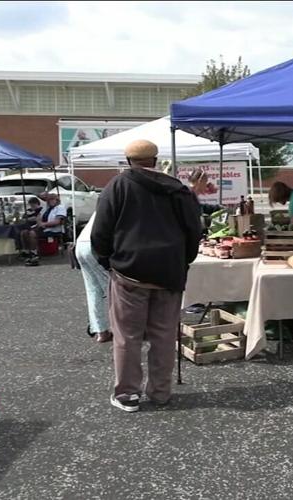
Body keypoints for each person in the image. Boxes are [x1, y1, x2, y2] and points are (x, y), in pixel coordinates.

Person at [92, 139, 202, 412]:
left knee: (127, 336)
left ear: (128, 160)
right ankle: (160, 393)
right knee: (164, 337)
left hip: (129, 272)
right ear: (155, 160)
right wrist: (182, 261)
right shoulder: (178, 190)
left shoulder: (117, 186)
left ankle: (127, 394)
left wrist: (108, 261)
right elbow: (194, 232)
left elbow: (101, 232)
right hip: (169, 273)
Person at [75, 212, 112, 344]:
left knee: (93, 290)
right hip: (95, 245)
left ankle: (100, 330)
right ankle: (123, 330)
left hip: (81, 243)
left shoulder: (110, 199)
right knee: (113, 291)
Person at [21, 193, 67, 266]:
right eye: (49, 200)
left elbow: (57, 221)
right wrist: (39, 223)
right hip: (42, 227)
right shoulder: (46, 208)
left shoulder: (60, 208)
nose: (51, 201)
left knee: (32, 233)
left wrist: (44, 224)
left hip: (53, 229)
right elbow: (38, 217)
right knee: (24, 232)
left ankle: (34, 253)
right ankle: (27, 251)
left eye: (53, 199)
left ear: (57, 200)